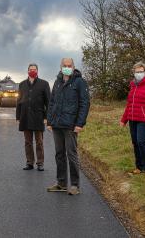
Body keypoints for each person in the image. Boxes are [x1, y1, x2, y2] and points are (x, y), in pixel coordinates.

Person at [46, 58, 90, 195]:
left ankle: (75, 185)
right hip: (57, 124)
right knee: (59, 154)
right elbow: (52, 102)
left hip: (71, 125)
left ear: (73, 67)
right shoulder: (58, 82)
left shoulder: (79, 82)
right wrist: (50, 121)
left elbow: (85, 103)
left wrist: (79, 123)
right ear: (61, 67)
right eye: (64, 66)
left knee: (71, 154)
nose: (67, 67)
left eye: (69, 66)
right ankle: (61, 183)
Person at [120, 62, 145, 178]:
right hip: (133, 119)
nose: (138, 74)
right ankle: (139, 167)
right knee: (135, 143)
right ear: (133, 73)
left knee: (141, 142)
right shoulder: (133, 86)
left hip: (144, 120)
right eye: (136, 72)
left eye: (140, 72)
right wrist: (124, 120)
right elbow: (129, 105)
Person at [16, 63, 50, 171]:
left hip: (38, 117)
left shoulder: (44, 84)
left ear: (37, 71)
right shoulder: (22, 84)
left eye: (34, 69)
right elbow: (19, 102)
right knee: (28, 142)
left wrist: (47, 117)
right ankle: (29, 163)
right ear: (27, 71)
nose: (32, 71)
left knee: (39, 141)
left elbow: (48, 102)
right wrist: (18, 116)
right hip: (25, 116)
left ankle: (40, 163)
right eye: (31, 69)